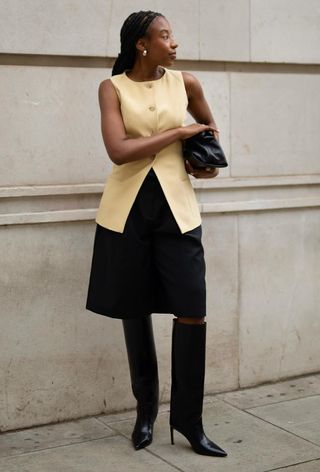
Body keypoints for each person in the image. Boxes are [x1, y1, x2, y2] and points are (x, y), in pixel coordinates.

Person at [86, 10, 227, 457]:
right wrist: (177, 131)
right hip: (125, 212)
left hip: (177, 212)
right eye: (165, 36)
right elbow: (118, 150)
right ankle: (146, 411)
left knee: (192, 310)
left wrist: (203, 160)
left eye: (172, 35)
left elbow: (209, 134)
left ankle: (189, 420)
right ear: (141, 44)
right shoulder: (112, 88)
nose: (174, 43)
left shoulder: (186, 83)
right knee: (135, 307)